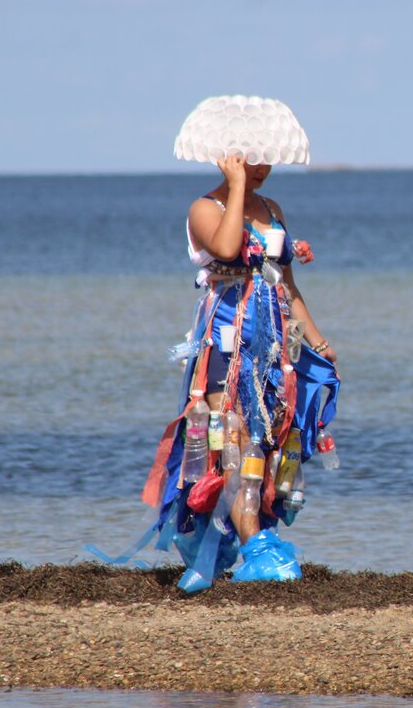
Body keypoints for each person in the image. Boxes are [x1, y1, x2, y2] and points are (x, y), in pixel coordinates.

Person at [87, 96, 341, 592]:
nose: (262, 168)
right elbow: (226, 249)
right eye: (251, 159)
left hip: (271, 348)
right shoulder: (205, 208)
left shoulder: (273, 209)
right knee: (233, 438)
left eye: (266, 159)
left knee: (267, 443)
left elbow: (285, 285)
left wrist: (318, 341)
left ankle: (248, 536)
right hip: (225, 345)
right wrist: (237, 185)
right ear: (228, 156)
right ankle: (254, 547)